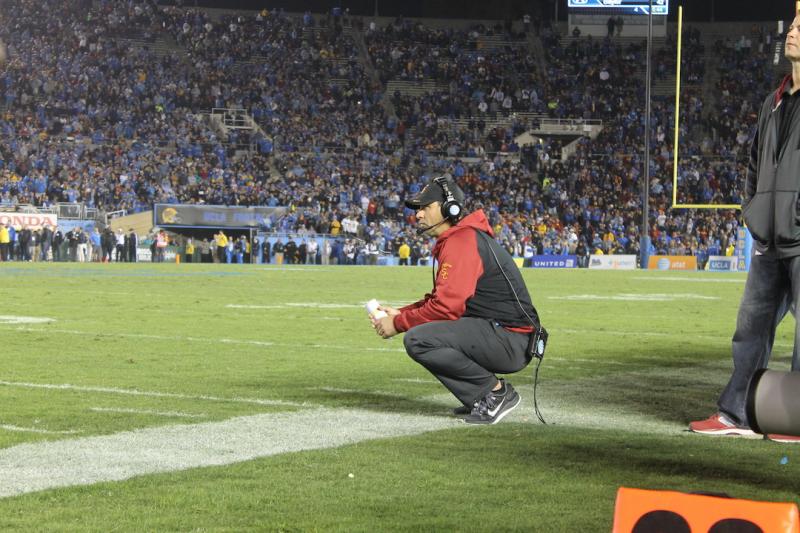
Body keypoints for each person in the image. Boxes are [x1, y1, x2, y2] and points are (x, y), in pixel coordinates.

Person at [690, 15, 800, 443]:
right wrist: (752, 208)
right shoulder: (773, 101)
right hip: (769, 236)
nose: (791, 31)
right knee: (750, 327)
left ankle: (794, 419)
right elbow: (754, 162)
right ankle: (736, 413)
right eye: (792, 25)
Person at [370, 177, 545, 425]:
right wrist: (399, 313)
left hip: (510, 339)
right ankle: (479, 398)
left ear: (448, 208)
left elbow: (446, 307)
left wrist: (398, 324)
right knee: (422, 333)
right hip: (508, 335)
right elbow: (440, 299)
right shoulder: (463, 238)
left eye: (424, 207)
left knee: (418, 339)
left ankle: (494, 394)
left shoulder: (461, 241)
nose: (418, 214)